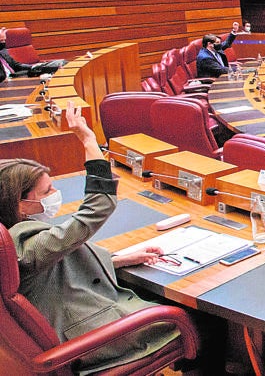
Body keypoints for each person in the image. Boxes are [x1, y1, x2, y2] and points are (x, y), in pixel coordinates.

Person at [0, 102, 186, 373]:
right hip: (88, 337)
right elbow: (96, 208)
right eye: (47, 191)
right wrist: (88, 139)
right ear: (21, 205)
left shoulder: (11, 238)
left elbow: (57, 270)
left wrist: (119, 260)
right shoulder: (26, 247)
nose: (55, 195)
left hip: (76, 319)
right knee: (202, 321)